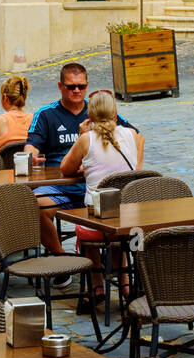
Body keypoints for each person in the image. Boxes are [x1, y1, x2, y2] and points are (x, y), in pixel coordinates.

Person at [26, 63, 137, 257]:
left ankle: (101, 263)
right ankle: (63, 259)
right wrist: (31, 155)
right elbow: (32, 143)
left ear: (87, 86)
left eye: (81, 86)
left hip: (97, 188)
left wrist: (136, 168)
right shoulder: (46, 114)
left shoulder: (98, 109)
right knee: (34, 205)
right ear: (60, 87)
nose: (77, 90)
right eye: (71, 87)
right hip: (62, 188)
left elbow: (136, 135)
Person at [59, 88, 145, 300]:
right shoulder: (131, 135)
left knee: (95, 221)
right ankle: (125, 283)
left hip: (98, 223)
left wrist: (81, 137)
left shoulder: (86, 140)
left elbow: (66, 169)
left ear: (89, 116)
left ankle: (96, 285)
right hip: (130, 222)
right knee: (119, 221)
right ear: (115, 113)